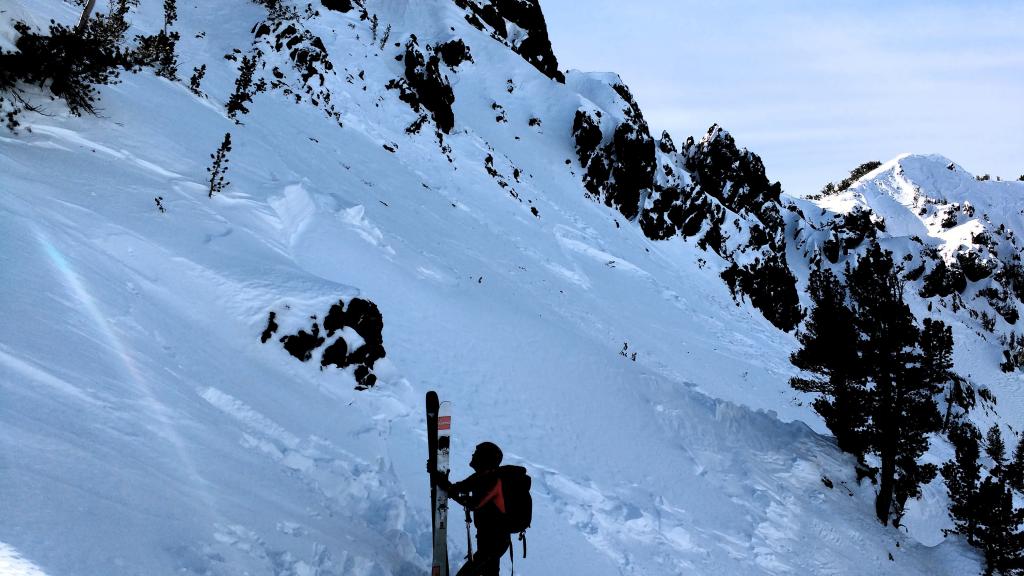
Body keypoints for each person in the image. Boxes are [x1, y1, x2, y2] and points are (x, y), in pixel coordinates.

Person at [435, 441, 510, 576]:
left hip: (494, 544)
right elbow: (460, 487)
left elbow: (474, 504)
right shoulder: (480, 477)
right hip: (487, 541)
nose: (473, 455)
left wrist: (450, 491)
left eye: (476, 454)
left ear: (484, 460)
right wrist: (441, 479)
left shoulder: (493, 481)